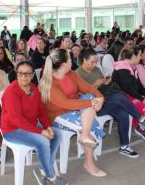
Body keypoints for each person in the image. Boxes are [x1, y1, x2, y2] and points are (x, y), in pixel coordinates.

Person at [38, 49, 107, 177]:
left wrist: (99, 97)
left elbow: (87, 87)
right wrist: (93, 102)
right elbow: (66, 104)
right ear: (64, 64)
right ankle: (88, 163)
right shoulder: (48, 83)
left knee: (89, 97)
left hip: (74, 106)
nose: (72, 60)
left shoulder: (70, 73)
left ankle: (84, 135)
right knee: (90, 123)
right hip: (58, 115)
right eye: (70, 59)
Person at [1, 61, 68, 184]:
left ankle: (43, 169)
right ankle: (50, 177)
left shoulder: (33, 88)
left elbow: (41, 110)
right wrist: (41, 132)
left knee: (57, 134)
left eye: (27, 73)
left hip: (29, 124)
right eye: (20, 73)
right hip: (12, 130)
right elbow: (17, 120)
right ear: (16, 73)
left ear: (32, 75)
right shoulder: (11, 92)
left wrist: (48, 127)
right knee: (42, 142)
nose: (24, 76)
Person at [76, 48, 141, 158]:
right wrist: (95, 84)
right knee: (118, 98)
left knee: (123, 113)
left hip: (106, 99)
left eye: (96, 61)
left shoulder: (96, 69)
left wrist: (105, 81)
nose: (95, 64)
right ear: (84, 60)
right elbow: (80, 96)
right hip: (93, 107)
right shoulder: (78, 73)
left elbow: (103, 85)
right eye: (92, 62)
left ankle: (124, 146)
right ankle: (140, 117)